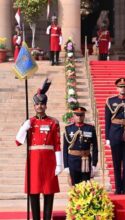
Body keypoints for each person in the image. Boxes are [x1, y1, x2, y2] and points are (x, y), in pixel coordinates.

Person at [15, 78, 62, 220]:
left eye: (42, 104)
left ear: (46, 106)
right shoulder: (30, 122)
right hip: (34, 160)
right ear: (34, 106)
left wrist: (59, 163)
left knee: (49, 192)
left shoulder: (53, 122)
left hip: (49, 160)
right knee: (33, 192)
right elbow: (18, 141)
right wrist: (24, 127)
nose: (40, 106)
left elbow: (57, 143)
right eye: (37, 104)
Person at [63, 107, 98, 185]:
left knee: (86, 185)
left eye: (81, 115)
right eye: (77, 115)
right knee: (74, 186)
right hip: (73, 160)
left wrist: (94, 164)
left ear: (84, 116)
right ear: (73, 116)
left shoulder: (90, 128)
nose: (79, 117)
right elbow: (65, 148)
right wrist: (66, 165)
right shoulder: (68, 129)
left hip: (86, 160)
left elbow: (95, 147)